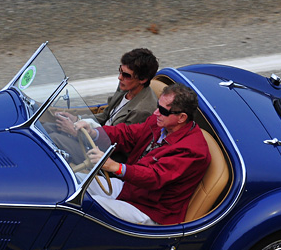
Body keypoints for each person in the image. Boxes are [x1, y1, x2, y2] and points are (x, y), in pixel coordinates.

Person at [76, 83, 209, 226]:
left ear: (182, 117)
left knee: (82, 203)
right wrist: (94, 132)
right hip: (132, 190)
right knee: (72, 182)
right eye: (158, 106)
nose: (156, 112)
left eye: (163, 110)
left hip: (150, 210)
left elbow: (155, 177)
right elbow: (127, 134)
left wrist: (116, 167)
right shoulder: (159, 123)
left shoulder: (192, 150)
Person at [95, 48, 160, 127]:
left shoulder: (141, 111)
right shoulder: (125, 87)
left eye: (126, 75)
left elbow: (119, 136)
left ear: (142, 79)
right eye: (120, 70)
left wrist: (93, 132)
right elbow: (106, 115)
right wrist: (80, 120)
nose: (120, 77)